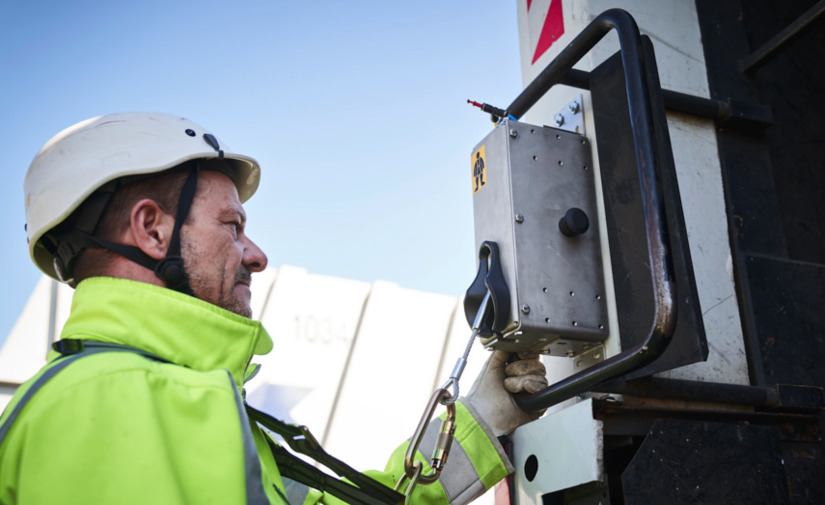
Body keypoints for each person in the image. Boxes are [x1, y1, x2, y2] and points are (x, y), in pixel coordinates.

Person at [0, 112, 548, 504]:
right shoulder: (113, 399)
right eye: (232, 227)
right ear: (151, 229)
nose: (256, 256)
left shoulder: (182, 399)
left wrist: (478, 422)